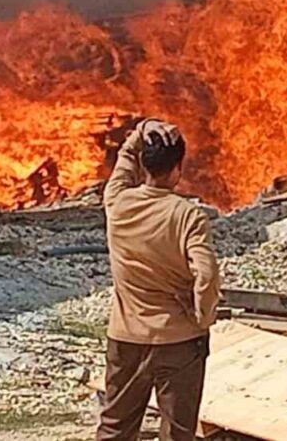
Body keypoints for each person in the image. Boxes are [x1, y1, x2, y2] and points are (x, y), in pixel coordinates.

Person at [96, 118, 221, 441]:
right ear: (178, 169)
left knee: (114, 428)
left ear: (143, 164)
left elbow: (125, 159)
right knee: (178, 433)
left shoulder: (117, 202)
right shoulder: (187, 215)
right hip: (179, 341)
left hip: (125, 339)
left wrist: (142, 130)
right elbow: (205, 274)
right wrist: (202, 317)